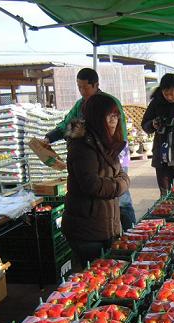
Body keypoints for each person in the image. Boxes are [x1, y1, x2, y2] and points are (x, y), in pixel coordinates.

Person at [43, 68, 136, 230]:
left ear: (96, 85)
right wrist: (49, 137)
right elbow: (67, 124)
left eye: (85, 87)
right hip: (96, 155)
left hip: (116, 152)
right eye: (79, 87)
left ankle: (131, 231)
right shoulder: (80, 106)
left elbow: (120, 134)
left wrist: (112, 159)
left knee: (122, 199)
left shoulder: (109, 102)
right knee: (105, 195)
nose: (82, 91)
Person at [61, 93, 130, 270]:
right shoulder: (82, 146)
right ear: (96, 117)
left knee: (105, 274)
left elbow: (122, 175)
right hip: (86, 229)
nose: (114, 120)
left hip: (105, 225)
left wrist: (118, 183)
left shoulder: (106, 143)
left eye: (116, 116)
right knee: (90, 279)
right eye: (109, 116)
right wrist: (119, 185)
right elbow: (92, 185)